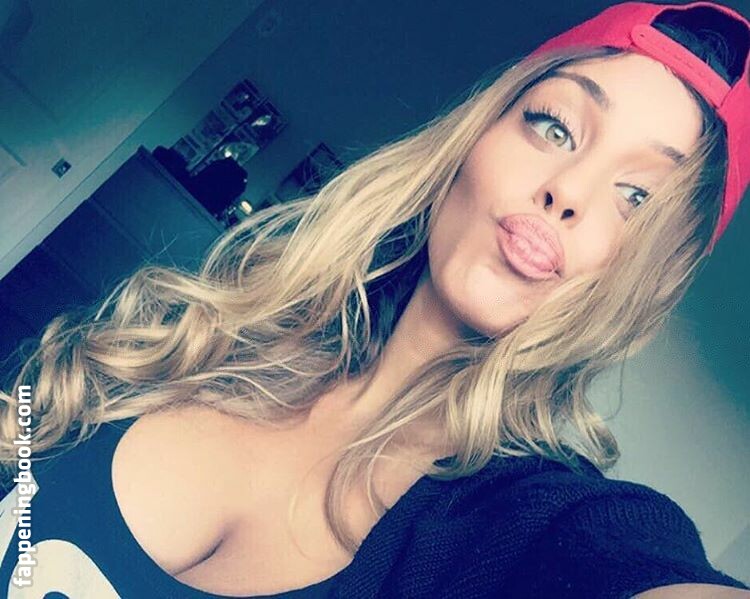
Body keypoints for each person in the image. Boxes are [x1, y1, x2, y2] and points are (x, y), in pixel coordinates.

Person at [0, 1, 749, 597]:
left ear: (645, 285)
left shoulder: (540, 527)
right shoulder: (222, 326)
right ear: (474, 137)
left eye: (638, 198)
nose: (568, 190)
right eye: (555, 127)